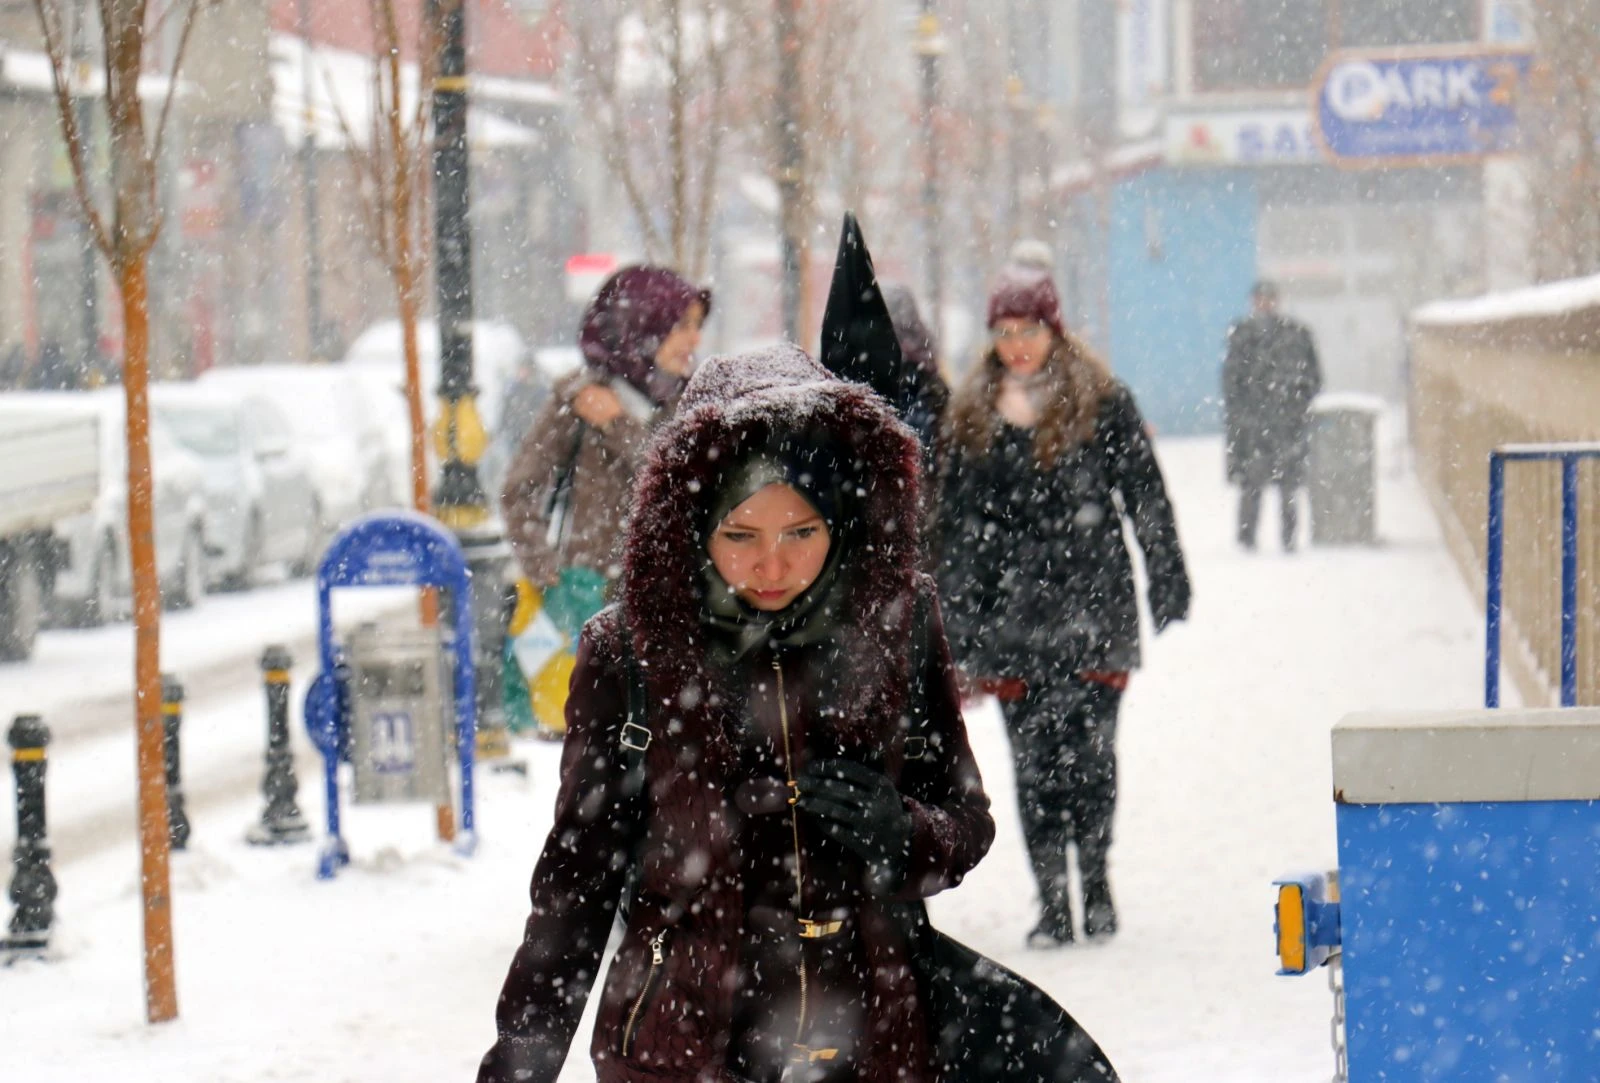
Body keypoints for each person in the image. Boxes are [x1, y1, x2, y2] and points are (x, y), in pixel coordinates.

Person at [479, 345, 1119, 1083]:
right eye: (741, 536)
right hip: (676, 1047)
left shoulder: (900, 623)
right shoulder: (630, 651)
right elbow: (576, 883)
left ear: (840, 523)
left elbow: (965, 818)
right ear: (691, 526)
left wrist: (903, 831)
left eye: (801, 533)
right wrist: (519, 1065)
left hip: (872, 1036)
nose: (772, 567)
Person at [936, 266, 1190, 949]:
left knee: (1093, 755)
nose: (1016, 345)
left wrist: (1167, 575)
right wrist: (956, 622)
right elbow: (954, 531)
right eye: (1004, 332)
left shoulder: (1101, 401)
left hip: (1093, 608)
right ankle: (1052, 896)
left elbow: (1145, 493)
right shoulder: (971, 417)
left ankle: (1097, 883)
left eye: (1029, 330)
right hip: (1010, 618)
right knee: (1032, 763)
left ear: (1055, 330)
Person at [500, 265, 709, 602]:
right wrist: (547, 573)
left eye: (697, 325)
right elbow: (519, 490)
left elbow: (687, 488)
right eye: (682, 325)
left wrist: (617, 425)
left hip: (674, 606)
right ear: (642, 327)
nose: (695, 338)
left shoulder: (693, 401)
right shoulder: (579, 399)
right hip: (591, 601)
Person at [1222, 280, 1323, 552]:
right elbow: (1231, 382)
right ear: (1253, 302)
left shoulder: (1296, 335)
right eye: (1260, 299)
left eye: (1269, 299)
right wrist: (1244, 416)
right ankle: (1247, 539)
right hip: (1254, 427)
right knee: (1252, 485)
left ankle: (1288, 538)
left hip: (1287, 424)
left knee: (1288, 486)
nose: (1265, 304)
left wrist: (1295, 406)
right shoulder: (1243, 335)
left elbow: (1313, 377)